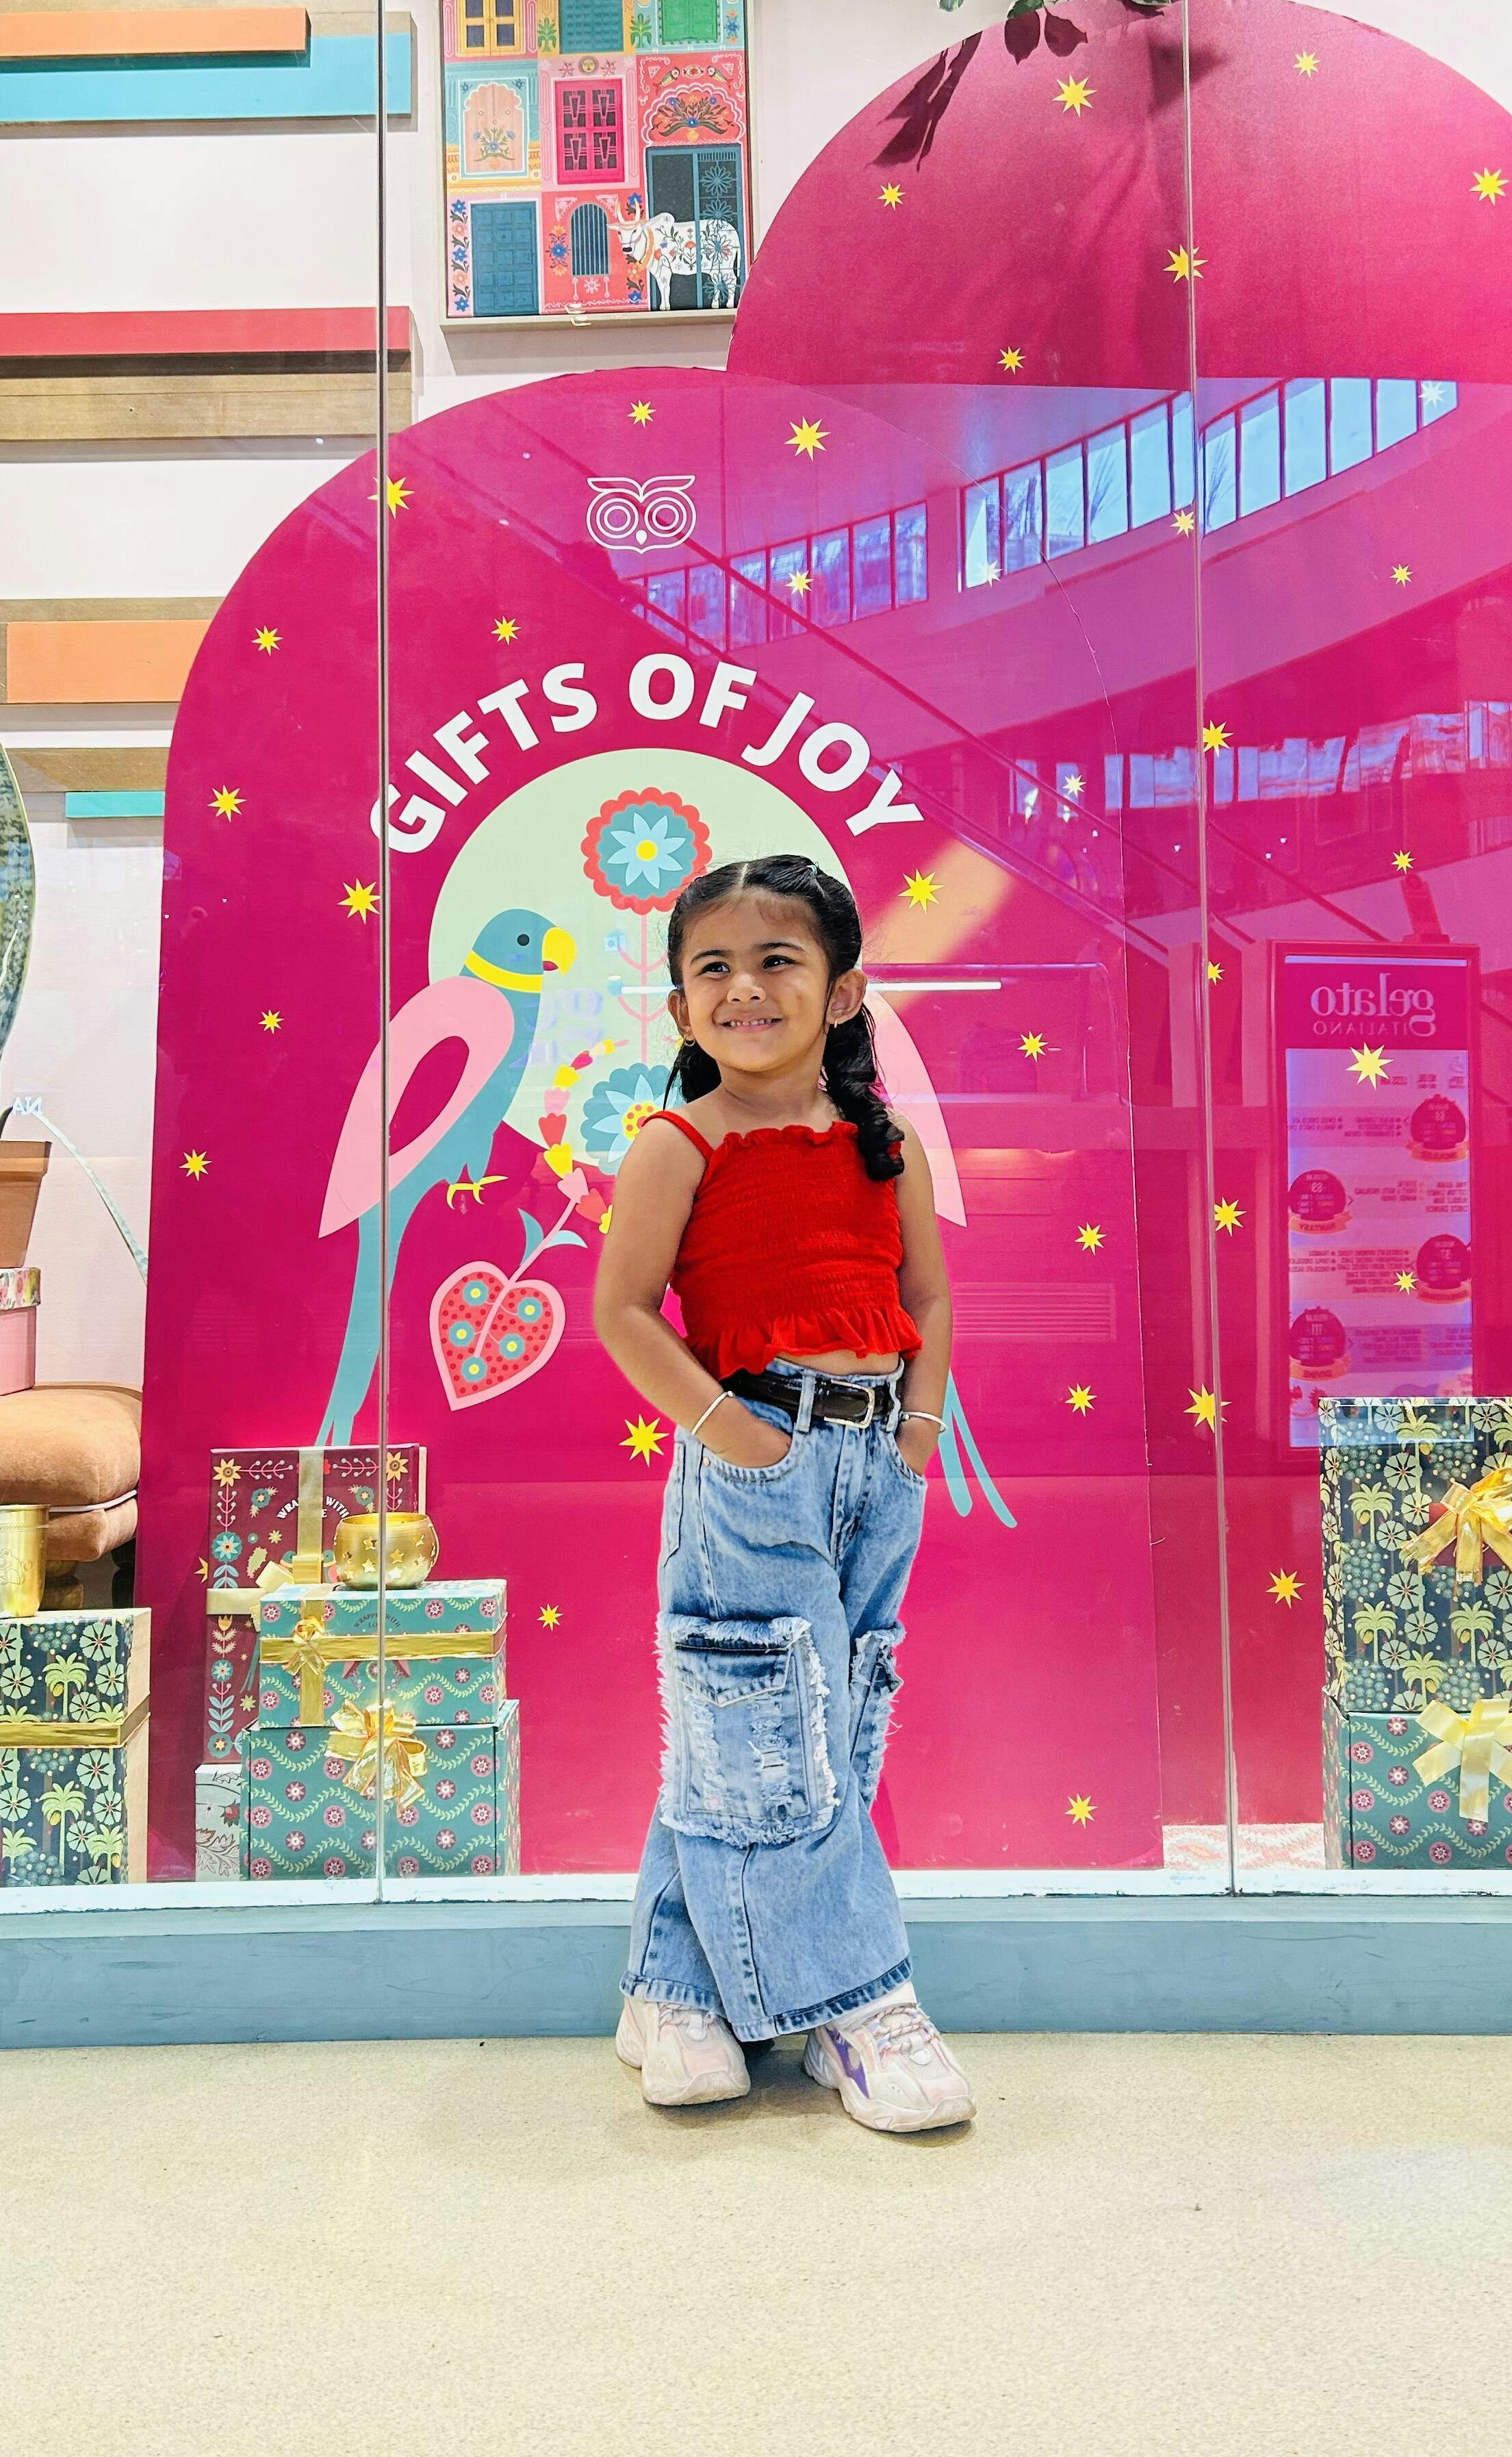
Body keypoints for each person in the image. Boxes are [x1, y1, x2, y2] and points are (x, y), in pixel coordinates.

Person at [593, 853, 975, 2134]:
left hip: (877, 1464)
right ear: (679, 1006)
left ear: (843, 990)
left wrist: (917, 1433)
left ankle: (671, 1988)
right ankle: (859, 2005)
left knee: (790, 1724)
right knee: (769, 1729)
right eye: (714, 968)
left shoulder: (885, 1147)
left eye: (778, 961)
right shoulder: (680, 1144)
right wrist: (736, 1436)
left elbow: (928, 1297)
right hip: (756, 1463)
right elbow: (623, 1311)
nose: (745, 988)